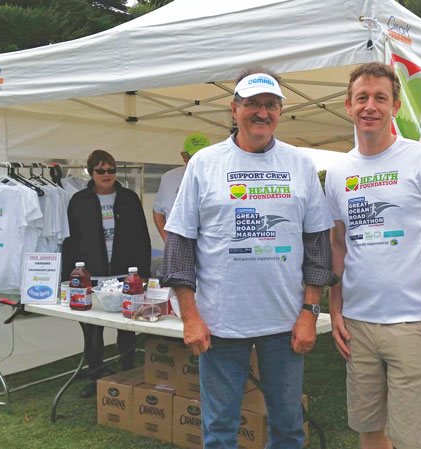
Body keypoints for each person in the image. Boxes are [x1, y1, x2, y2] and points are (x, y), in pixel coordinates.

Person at [162, 69, 337, 449]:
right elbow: (179, 245)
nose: (262, 112)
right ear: (234, 108)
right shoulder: (205, 163)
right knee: (220, 431)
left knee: (289, 428)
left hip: (285, 322)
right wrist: (190, 317)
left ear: (279, 111)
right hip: (220, 323)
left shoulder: (300, 164)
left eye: (270, 105)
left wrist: (310, 312)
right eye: (252, 104)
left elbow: (318, 245)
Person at [325, 62, 421, 449]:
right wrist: (335, 310)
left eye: (380, 98)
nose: (371, 106)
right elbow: (339, 245)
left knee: (410, 436)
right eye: (362, 98)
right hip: (358, 322)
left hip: (413, 321)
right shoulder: (338, 172)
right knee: (368, 427)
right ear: (349, 106)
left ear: (395, 106)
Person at [62, 150, 151, 398]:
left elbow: (142, 236)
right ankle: (96, 375)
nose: (107, 175)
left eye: (111, 170)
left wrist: (143, 272)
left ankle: (128, 374)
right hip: (92, 274)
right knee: (92, 330)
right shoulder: (79, 200)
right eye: (101, 170)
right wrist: (68, 274)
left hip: (126, 274)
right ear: (91, 172)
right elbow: (70, 240)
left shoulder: (129, 198)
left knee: (127, 327)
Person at [152, 133, 210, 242]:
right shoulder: (169, 178)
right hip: (180, 244)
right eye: (193, 157)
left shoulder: (221, 177)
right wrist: (168, 240)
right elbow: (158, 212)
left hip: (211, 247)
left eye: (203, 156)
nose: (199, 161)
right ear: (184, 156)